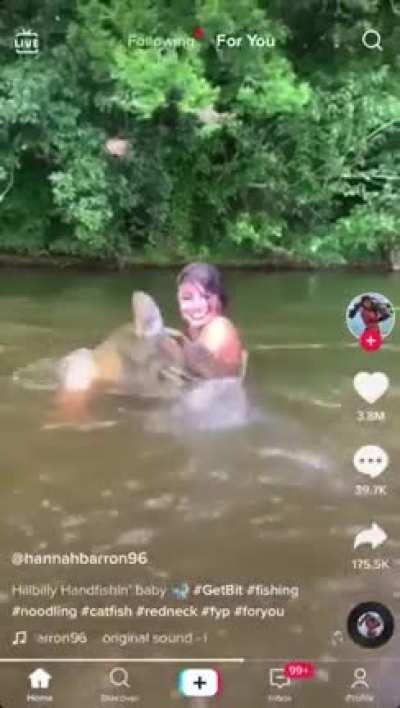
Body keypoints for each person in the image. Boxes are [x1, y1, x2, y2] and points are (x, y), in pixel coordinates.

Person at [176, 262, 246, 380]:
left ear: (220, 299)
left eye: (206, 297)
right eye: (187, 298)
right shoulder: (193, 330)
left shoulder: (219, 327)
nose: (197, 306)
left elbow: (205, 365)